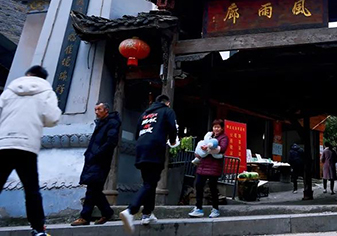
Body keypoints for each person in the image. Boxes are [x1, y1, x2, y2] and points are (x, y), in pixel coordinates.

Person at [0, 65, 61, 236]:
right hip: (26, 146)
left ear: (27, 74)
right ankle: (38, 229)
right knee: (31, 190)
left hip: (4, 144)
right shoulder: (46, 92)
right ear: (43, 78)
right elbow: (52, 118)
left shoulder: (9, 90)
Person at [120, 94, 177, 234]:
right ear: (167, 103)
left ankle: (147, 214)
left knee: (149, 182)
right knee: (150, 183)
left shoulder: (144, 114)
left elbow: (136, 133)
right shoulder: (167, 111)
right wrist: (173, 140)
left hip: (141, 149)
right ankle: (130, 210)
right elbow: (172, 127)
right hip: (155, 148)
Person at [71, 102, 121, 226]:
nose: (96, 112)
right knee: (95, 190)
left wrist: (97, 153)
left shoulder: (112, 123)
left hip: (101, 161)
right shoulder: (101, 123)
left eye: (99, 109)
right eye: (95, 109)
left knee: (92, 189)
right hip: (93, 159)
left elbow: (111, 142)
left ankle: (85, 217)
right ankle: (107, 212)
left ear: (106, 110)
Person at [189, 119, 229, 219]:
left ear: (222, 128)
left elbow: (222, 148)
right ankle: (198, 208)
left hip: (214, 166)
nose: (216, 129)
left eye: (218, 127)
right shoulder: (209, 136)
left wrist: (208, 148)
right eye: (215, 127)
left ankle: (215, 209)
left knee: (213, 187)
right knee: (198, 185)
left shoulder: (224, 137)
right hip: (203, 165)